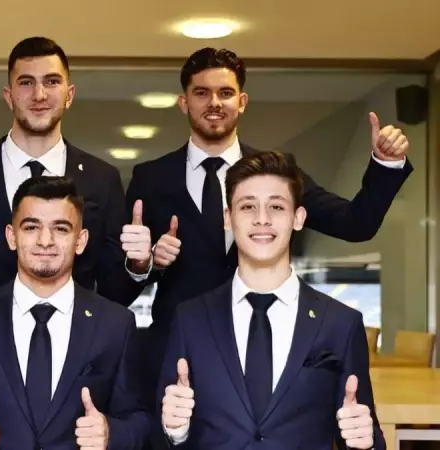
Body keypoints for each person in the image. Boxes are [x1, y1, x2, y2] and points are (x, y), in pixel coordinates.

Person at [121, 47, 412, 399]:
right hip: (174, 355)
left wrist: (386, 165)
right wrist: (146, 263)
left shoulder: (276, 172)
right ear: (184, 103)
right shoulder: (151, 178)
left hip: (260, 349)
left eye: (225, 93)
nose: (214, 102)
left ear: (242, 101)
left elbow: (355, 224)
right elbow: (117, 286)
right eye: (201, 93)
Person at [155, 151, 382, 449]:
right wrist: (175, 431)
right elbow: (160, 437)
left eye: (276, 206)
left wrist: (365, 443)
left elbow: (365, 431)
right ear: (228, 218)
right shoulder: (190, 319)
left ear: (298, 218)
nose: (262, 219)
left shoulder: (341, 324)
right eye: (248, 206)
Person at [0, 176, 150, 450]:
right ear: (12, 236)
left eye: (61, 229)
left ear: (81, 241)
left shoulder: (116, 324)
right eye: (31, 227)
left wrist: (110, 434)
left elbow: (139, 419)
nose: (46, 241)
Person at [0, 36, 135, 306]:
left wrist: (139, 263)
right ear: (9, 96)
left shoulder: (102, 178)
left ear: (69, 95)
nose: (39, 95)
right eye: (26, 82)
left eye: (51, 82)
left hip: (74, 331)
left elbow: (116, 292)